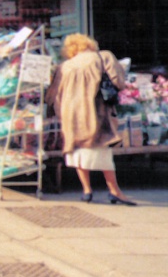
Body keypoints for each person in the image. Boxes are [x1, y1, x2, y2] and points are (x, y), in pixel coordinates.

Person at [46, 33, 136, 205]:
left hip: (70, 114)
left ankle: (87, 191)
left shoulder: (64, 66)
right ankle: (114, 191)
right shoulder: (104, 57)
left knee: (77, 150)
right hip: (95, 111)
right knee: (102, 151)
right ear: (89, 44)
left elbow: (52, 95)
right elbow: (119, 82)